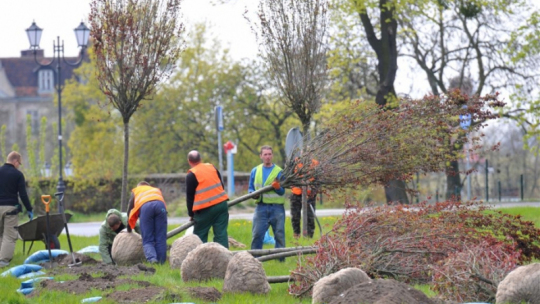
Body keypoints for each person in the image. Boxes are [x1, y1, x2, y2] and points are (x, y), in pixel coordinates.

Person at [185, 150, 229, 248]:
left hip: (205, 210)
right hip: (222, 205)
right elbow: (221, 185)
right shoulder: (212, 167)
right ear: (200, 159)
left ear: (189, 161)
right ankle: (225, 259)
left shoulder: (191, 175)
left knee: (200, 236)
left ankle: (200, 259)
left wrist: (191, 214)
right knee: (221, 234)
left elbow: (190, 198)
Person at [248, 145, 285, 257]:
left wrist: (278, 187)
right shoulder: (255, 170)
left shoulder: (279, 171)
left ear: (272, 155)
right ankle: (254, 260)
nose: (268, 157)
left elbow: (282, 192)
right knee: (257, 235)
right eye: (265, 154)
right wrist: (254, 195)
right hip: (261, 207)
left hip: (277, 208)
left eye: (269, 154)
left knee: (279, 235)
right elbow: (250, 189)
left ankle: (280, 260)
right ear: (261, 156)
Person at [0, 151, 33, 267]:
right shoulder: (18, 174)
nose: (19, 165)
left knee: (0, 234)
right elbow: (23, 195)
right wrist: (29, 209)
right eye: (19, 163)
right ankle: (3, 262)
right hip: (10, 209)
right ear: (15, 161)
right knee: (9, 235)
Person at [127, 181, 168, 264]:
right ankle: (161, 262)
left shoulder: (136, 190)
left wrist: (129, 226)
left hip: (146, 207)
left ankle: (152, 259)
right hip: (161, 207)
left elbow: (130, 208)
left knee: (147, 238)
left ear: (139, 186)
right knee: (161, 237)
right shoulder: (155, 190)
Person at [290, 158, 319, 238]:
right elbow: (289, 177)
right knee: (295, 216)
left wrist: (313, 191)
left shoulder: (315, 163)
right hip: (296, 193)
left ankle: (309, 237)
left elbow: (318, 180)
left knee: (310, 216)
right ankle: (296, 234)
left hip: (309, 195)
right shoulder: (295, 162)